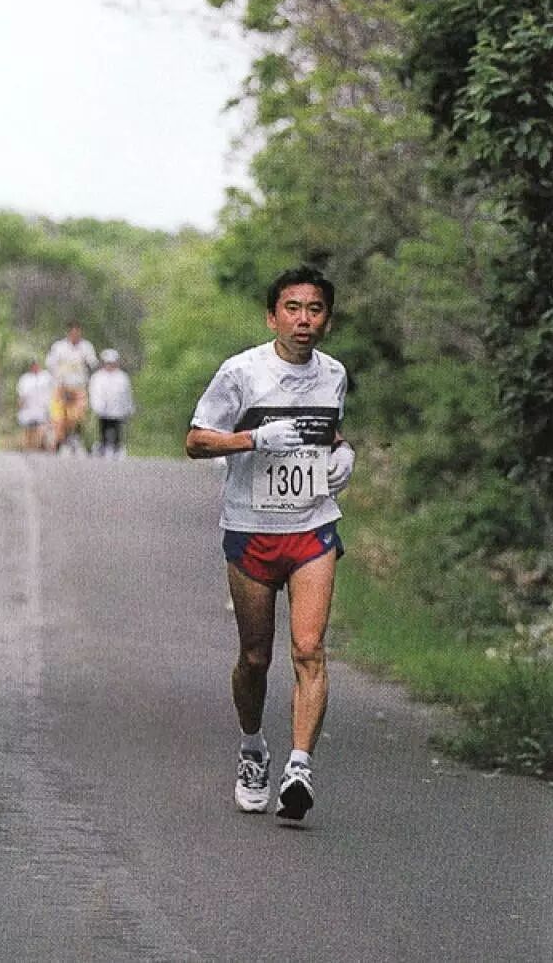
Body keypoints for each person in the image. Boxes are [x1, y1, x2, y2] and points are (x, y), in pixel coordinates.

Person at [186, 265, 355, 822]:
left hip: (312, 527)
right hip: (252, 529)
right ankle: (253, 747)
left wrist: (342, 452)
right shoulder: (241, 373)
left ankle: (299, 767)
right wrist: (253, 438)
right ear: (272, 317)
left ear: (327, 320)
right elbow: (196, 441)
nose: (304, 320)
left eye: (315, 310)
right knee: (256, 657)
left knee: (308, 649)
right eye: (292, 308)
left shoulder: (333, 374)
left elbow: (326, 430)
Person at [45, 322, 99, 453]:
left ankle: (74, 439)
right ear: (68, 333)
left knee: (77, 416)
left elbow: (93, 364)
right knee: (59, 417)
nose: (75, 335)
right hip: (61, 387)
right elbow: (50, 364)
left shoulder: (86, 347)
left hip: (78, 387)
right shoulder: (59, 347)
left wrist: (86, 363)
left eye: (78, 332)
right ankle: (60, 442)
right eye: (73, 333)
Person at [88, 349, 135, 457]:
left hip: (118, 408)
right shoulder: (98, 377)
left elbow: (127, 393)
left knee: (116, 427)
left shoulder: (122, 377)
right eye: (107, 363)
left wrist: (129, 407)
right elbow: (94, 392)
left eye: (112, 363)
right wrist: (96, 405)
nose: (110, 365)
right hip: (102, 408)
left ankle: (117, 446)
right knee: (103, 426)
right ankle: (103, 445)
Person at [16, 359, 54, 452]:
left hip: (42, 408)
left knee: (41, 428)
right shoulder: (25, 379)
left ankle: (38, 447)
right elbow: (21, 395)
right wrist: (20, 406)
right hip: (28, 409)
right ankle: (28, 448)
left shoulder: (46, 377)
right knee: (28, 429)